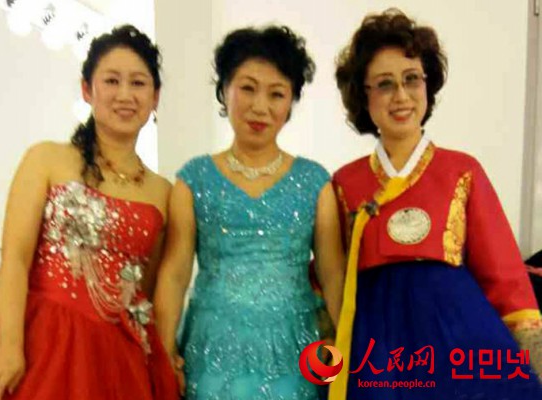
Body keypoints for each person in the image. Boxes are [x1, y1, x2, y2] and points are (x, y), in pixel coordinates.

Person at [330, 8, 542, 400]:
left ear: (428, 84)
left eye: (412, 78)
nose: (401, 95)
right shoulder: (344, 184)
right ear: (363, 95)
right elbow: (330, 276)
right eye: (384, 84)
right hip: (377, 349)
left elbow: (504, 274)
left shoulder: (462, 171)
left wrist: (532, 352)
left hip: (456, 341)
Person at [0, 25, 178, 400]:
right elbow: (15, 260)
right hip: (44, 341)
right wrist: (9, 346)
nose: (125, 95)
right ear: (87, 89)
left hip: (121, 355)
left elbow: (147, 289)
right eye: (111, 80)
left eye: (138, 83)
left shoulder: (163, 192)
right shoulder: (47, 159)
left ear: (155, 96)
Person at [154, 25, 345, 399]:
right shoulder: (193, 179)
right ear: (224, 90)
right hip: (212, 348)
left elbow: (333, 273)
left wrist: (350, 349)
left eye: (277, 94)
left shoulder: (314, 181)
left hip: (293, 348)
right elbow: (175, 274)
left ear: (290, 103)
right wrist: (164, 353)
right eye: (247, 88)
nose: (260, 106)